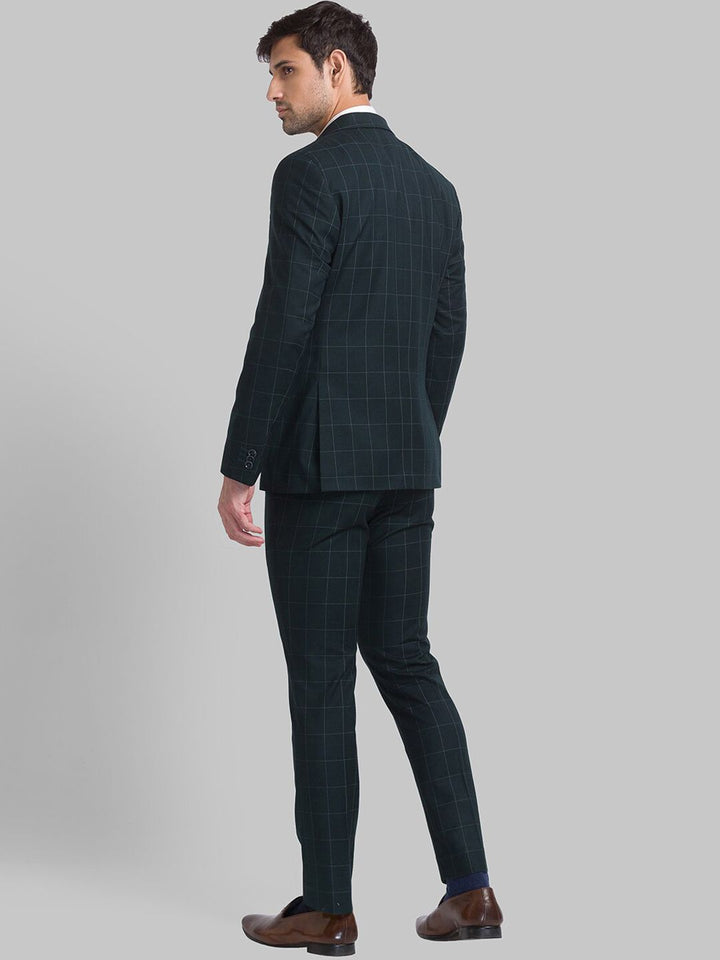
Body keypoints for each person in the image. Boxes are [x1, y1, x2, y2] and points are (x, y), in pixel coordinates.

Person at [217, 2, 503, 952]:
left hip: (319, 474)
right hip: (406, 470)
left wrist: (241, 465)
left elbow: (284, 325)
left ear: (338, 69)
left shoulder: (309, 176)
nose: (272, 92)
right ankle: (472, 891)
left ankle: (328, 907)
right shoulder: (435, 187)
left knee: (321, 680)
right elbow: (449, 332)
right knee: (409, 662)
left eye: (285, 71)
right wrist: (411, 433)